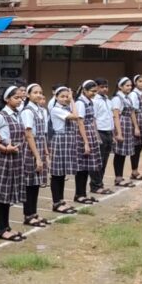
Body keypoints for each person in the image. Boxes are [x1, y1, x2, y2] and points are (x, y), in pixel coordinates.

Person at [0, 86, 27, 243]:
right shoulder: (1, 116)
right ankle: (0, 229)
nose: (20, 100)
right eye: (16, 97)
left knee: (7, 193)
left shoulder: (17, 114)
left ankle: (6, 226)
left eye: (21, 98)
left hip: (15, 157)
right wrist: (3, 148)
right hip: (3, 158)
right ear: (7, 99)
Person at [20, 84, 50, 228]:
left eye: (40, 92)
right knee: (29, 183)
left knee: (36, 183)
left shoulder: (40, 110)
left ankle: (33, 213)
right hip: (30, 148)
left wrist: (45, 152)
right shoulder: (28, 111)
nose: (39, 95)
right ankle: (28, 214)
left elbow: (42, 134)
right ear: (28, 95)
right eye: (35, 92)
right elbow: (28, 134)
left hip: (38, 145)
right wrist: (37, 156)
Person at [48, 87, 81, 215]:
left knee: (62, 174)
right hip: (60, 140)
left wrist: (70, 102)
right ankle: (56, 202)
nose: (65, 98)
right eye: (62, 96)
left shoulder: (65, 108)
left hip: (67, 140)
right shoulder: (56, 109)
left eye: (67, 96)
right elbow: (76, 116)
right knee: (57, 174)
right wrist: (72, 100)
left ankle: (61, 200)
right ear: (56, 97)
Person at [74, 81, 102, 205]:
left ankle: (83, 194)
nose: (94, 93)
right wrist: (86, 142)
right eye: (92, 91)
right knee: (82, 167)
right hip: (82, 135)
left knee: (87, 167)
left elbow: (92, 120)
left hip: (90, 134)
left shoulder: (90, 102)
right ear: (84, 90)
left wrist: (96, 136)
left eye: (96, 91)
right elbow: (80, 122)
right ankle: (79, 194)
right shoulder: (80, 103)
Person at [111, 77, 139, 189]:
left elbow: (132, 113)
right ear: (120, 86)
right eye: (127, 85)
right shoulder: (117, 99)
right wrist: (119, 133)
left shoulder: (128, 98)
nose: (129, 87)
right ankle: (118, 178)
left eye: (130, 85)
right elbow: (116, 116)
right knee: (119, 153)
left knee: (123, 153)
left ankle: (120, 177)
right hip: (121, 125)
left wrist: (136, 127)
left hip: (128, 125)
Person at [93, 78, 115, 193]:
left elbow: (110, 118)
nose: (105, 89)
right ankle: (96, 185)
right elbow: (93, 119)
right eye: (102, 87)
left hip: (108, 132)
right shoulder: (95, 101)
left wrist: (113, 134)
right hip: (100, 132)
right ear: (96, 87)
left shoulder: (108, 100)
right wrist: (96, 135)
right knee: (99, 160)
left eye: (106, 87)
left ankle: (100, 183)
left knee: (105, 160)